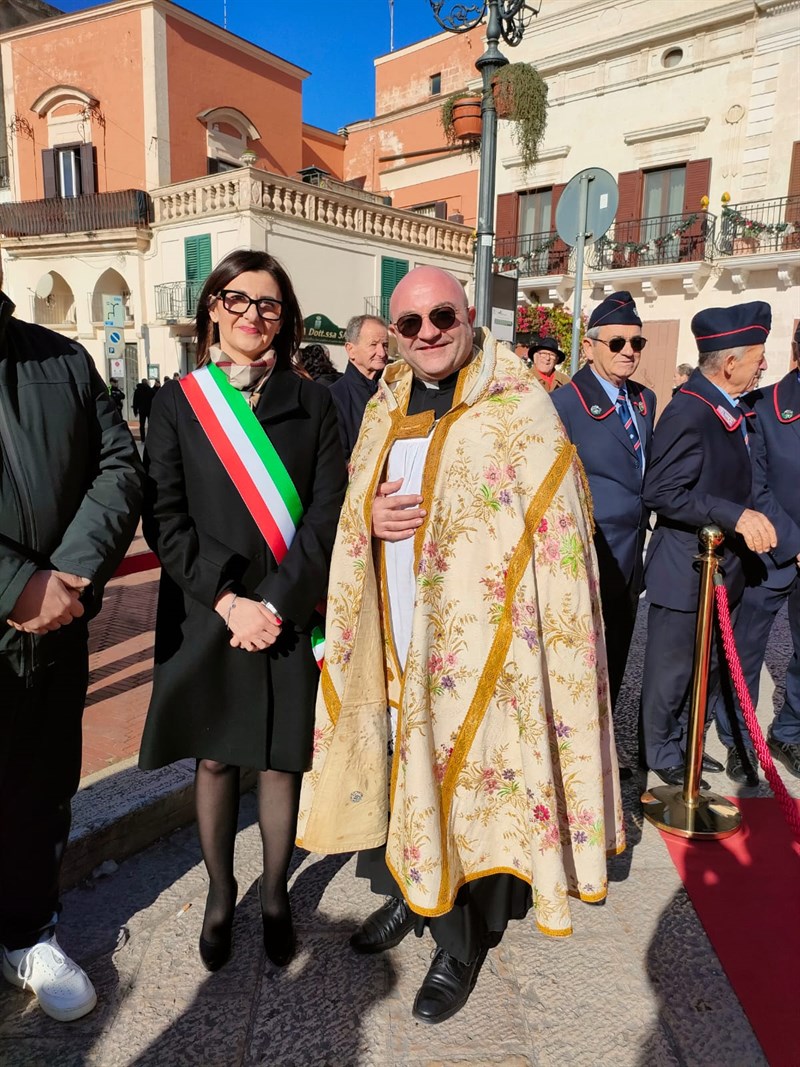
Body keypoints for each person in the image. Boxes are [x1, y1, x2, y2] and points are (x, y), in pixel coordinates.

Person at [297, 266, 623, 1025]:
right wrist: (366, 519)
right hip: (398, 629)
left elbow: (561, 535)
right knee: (404, 768)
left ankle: (458, 938)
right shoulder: (386, 406)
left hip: (487, 648)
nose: (428, 333)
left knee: (469, 781)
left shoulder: (519, 405)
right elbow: (355, 505)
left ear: (470, 315)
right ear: (394, 333)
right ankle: (416, 894)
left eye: (442, 315)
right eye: (408, 324)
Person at [139, 249, 347, 973]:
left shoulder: (316, 402)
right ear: (211, 309)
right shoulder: (176, 403)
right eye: (236, 299)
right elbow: (165, 519)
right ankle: (222, 894)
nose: (252, 315)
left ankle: (274, 899)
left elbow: (327, 517)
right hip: (211, 609)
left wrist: (277, 602)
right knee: (219, 756)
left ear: (284, 319)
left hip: (287, 610)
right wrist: (230, 602)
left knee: (282, 762)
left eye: (268, 304)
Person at [0, 285, 143, 1021]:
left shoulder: (61, 359)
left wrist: (70, 574)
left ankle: (28, 933)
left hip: (58, 627)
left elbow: (119, 465)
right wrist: (15, 584)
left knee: (39, 786)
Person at [640, 301, 777, 788]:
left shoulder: (727, 407)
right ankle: (660, 752)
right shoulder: (689, 411)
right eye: (759, 355)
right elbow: (661, 492)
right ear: (730, 362)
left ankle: (686, 742)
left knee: (710, 663)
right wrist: (734, 514)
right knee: (673, 669)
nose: (765, 363)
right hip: (686, 569)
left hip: (721, 568)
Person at [552, 291, 655, 714]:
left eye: (636, 343)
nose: (628, 352)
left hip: (631, 555)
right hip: (587, 553)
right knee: (580, 660)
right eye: (617, 343)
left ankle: (606, 747)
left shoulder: (644, 399)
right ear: (591, 347)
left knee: (616, 657)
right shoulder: (564, 404)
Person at [711, 321, 800, 784]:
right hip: (770, 553)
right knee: (744, 650)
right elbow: (755, 486)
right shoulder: (762, 409)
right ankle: (737, 739)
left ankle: (790, 732)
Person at [329, 314, 389, 456]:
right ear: (351, 350)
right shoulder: (334, 397)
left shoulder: (396, 390)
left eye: (385, 345)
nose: (381, 353)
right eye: (373, 345)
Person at [132, 378, 154, 442]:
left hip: (141, 410)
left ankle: (142, 439)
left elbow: (135, 401)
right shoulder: (150, 390)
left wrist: (135, 411)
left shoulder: (137, 391)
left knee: (142, 425)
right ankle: (150, 437)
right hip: (149, 409)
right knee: (150, 424)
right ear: (147, 383)